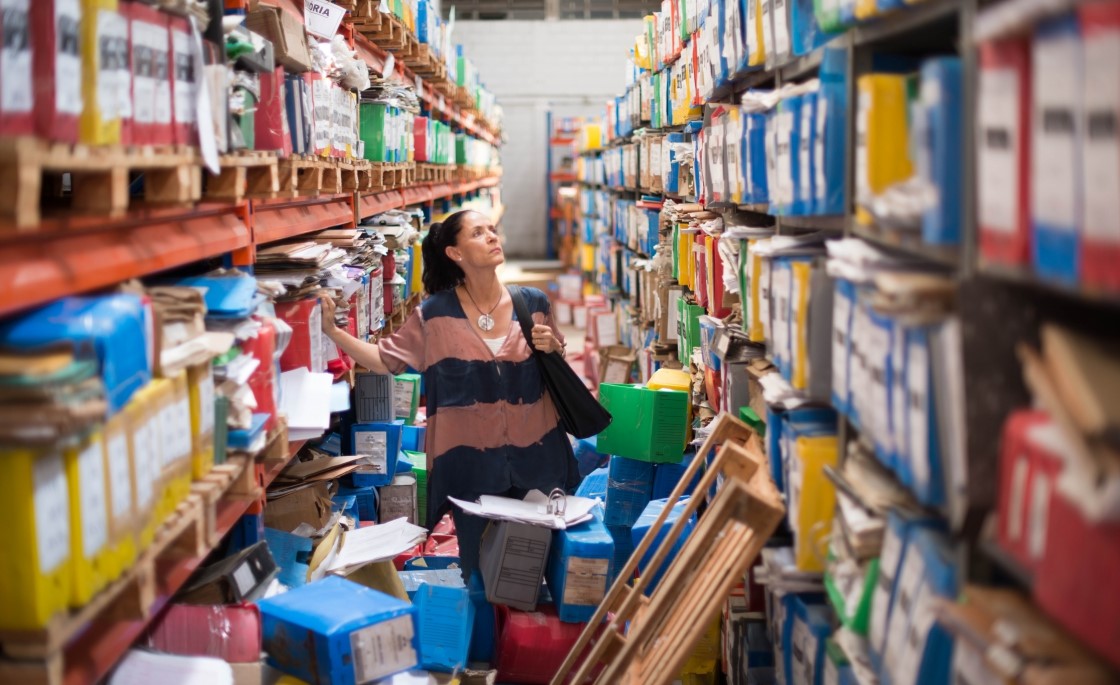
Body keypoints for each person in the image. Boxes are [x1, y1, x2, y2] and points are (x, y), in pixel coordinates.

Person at [321, 209, 580, 579]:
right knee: (479, 575)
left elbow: (556, 360)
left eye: (492, 230)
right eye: (478, 233)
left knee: (536, 572)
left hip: (536, 461)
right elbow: (383, 360)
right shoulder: (434, 316)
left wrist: (553, 347)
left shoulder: (533, 304)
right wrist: (333, 332)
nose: (492, 237)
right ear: (455, 253)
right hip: (470, 470)